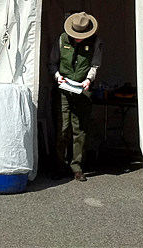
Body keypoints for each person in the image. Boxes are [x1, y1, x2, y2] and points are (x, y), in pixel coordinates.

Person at [47, 11, 102, 181]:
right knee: (62, 128)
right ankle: (59, 165)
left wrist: (88, 80)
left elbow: (95, 65)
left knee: (80, 129)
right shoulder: (61, 40)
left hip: (82, 90)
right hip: (63, 89)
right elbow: (52, 63)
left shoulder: (96, 42)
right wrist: (57, 76)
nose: (78, 38)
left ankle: (77, 166)